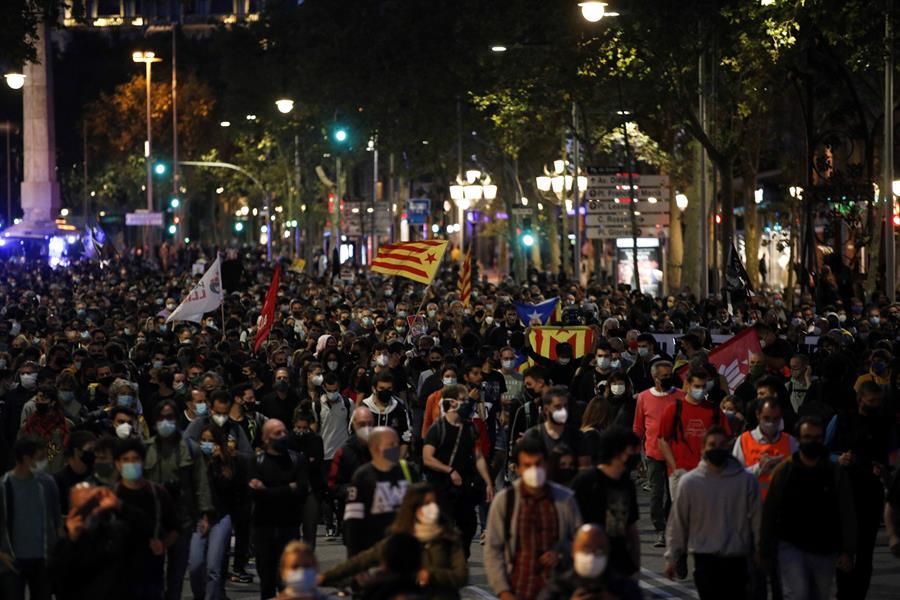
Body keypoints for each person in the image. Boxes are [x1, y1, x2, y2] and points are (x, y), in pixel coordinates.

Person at [761, 417, 856, 600]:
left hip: (824, 547)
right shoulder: (785, 471)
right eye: (807, 437)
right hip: (791, 545)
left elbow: (846, 511)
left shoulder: (834, 472)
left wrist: (848, 550)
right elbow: (770, 511)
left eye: (817, 438)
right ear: (798, 439)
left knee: (819, 594)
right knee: (797, 593)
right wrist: (765, 548)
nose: (812, 442)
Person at [320, 483, 467, 599]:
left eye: (434, 503)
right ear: (413, 507)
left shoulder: (448, 537)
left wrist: (430, 575)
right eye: (427, 504)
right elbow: (361, 560)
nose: (433, 508)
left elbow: (461, 576)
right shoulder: (400, 540)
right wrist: (325, 576)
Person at [664, 426, 761, 599]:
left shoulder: (745, 480)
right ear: (703, 449)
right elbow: (678, 523)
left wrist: (760, 552)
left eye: (722, 444)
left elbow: (757, 519)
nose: (717, 449)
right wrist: (672, 557)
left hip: (736, 558)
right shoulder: (690, 482)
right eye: (712, 444)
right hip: (705, 560)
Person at [484, 436, 583, 600]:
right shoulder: (505, 501)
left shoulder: (565, 500)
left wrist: (561, 554)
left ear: (547, 464)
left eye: (538, 464)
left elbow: (581, 542)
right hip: (518, 590)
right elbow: (493, 550)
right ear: (517, 469)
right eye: (527, 465)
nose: (534, 470)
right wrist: (503, 591)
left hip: (557, 591)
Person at [826, 380, 893, 600]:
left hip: (871, 494)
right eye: (870, 401)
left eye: (877, 401)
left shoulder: (884, 423)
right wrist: (839, 458)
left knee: (865, 553)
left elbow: (891, 454)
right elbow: (824, 451)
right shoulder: (842, 420)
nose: (874, 405)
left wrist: (883, 469)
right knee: (845, 549)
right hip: (845, 492)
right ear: (860, 399)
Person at [145, 400, 213, 600]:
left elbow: (201, 482)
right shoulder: (146, 448)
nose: (166, 422)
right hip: (153, 521)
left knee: (176, 575)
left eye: (170, 418)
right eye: (162, 418)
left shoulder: (190, 448)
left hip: (182, 519)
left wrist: (205, 514)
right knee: (153, 575)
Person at [423, 384, 494, 557]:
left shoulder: (470, 428)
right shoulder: (438, 428)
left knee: (468, 525)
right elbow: (427, 458)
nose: (467, 403)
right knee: (443, 525)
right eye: (463, 400)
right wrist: (449, 471)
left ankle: (462, 554)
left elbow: (478, 457)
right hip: (441, 486)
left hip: (464, 486)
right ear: (452, 403)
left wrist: (488, 482)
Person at [250, 418, 310, 600]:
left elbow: (301, 491)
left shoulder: (296, 459)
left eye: (284, 431)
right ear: (266, 438)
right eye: (277, 433)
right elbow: (254, 494)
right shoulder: (257, 461)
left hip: (289, 526)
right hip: (263, 527)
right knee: (266, 580)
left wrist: (267, 490)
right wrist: (286, 489)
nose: (283, 436)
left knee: (288, 580)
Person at [114, 437, 180, 600]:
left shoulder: (157, 494)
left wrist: (163, 544)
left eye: (135, 459)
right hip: (118, 574)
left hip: (150, 573)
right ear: (118, 464)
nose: (131, 464)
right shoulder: (110, 496)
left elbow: (175, 528)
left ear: (143, 462)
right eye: (126, 460)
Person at [570, 427, 641, 578]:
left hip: (618, 564)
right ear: (617, 453)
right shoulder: (585, 482)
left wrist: (635, 565)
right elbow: (570, 525)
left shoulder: (626, 484)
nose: (634, 456)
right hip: (590, 560)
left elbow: (630, 528)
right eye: (630, 451)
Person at [0, 436, 60, 600]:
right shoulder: (4, 486)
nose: (43, 462)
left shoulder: (47, 483)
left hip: (43, 558)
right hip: (12, 561)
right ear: (26, 459)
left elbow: (56, 519)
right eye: (40, 458)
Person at [188, 424, 244, 600]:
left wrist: (217, 463)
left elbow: (226, 488)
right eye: (203, 440)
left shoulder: (227, 462)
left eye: (210, 441)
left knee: (214, 567)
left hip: (220, 516)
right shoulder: (193, 462)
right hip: (198, 517)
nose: (206, 444)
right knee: (195, 565)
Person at [343, 426, 417, 557]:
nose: (395, 448)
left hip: (405, 551)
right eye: (391, 444)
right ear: (375, 448)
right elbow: (353, 524)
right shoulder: (362, 477)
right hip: (375, 550)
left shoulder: (408, 471)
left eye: (397, 444)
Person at [657, 368, 730, 499]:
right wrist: (675, 468)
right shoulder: (674, 409)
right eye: (697, 386)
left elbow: (726, 439)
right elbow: (662, 440)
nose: (700, 390)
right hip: (681, 472)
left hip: (708, 473)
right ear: (688, 385)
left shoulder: (714, 410)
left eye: (703, 386)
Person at [632, 359, 682, 547]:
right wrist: (635, 451)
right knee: (656, 493)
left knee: (671, 495)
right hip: (653, 453)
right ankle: (659, 527)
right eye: (664, 376)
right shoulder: (644, 398)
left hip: (676, 454)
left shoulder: (681, 397)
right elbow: (638, 426)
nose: (668, 379)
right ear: (655, 378)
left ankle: (668, 528)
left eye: (670, 375)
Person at [539, 524, 642, 600]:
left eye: (599, 551)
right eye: (586, 550)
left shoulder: (626, 589)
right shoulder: (557, 588)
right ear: (573, 552)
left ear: (607, 553)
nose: (592, 556)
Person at [732, 397, 797, 501]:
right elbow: (734, 476)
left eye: (775, 419)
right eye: (766, 418)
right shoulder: (744, 440)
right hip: (752, 504)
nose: (771, 423)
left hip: (780, 505)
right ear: (758, 415)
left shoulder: (790, 442)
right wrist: (759, 468)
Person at [313, 372, 352, 539]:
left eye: (335, 389)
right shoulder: (316, 405)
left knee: (343, 492)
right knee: (327, 493)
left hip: (343, 455)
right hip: (325, 455)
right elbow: (314, 430)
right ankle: (329, 524)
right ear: (324, 388)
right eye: (329, 390)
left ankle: (342, 524)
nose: (333, 392)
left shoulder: (347, 403)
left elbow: (352, 425)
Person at [522, 386, 591, 467]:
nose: (563, 410)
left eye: (565, 406)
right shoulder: (533, 436)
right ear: (546, 410)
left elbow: (584, 470)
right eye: (557, 406)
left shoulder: (577, 436)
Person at [361, 371, 414, 457]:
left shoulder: (399, 408)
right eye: (381, 388)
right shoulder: (363, 409)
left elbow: (406, 437)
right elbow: (355, 437)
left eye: (389, 389)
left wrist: (398, 462)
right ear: (374, 389)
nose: (385, 392)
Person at [53, 430, 98, 514]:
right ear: (78, 451)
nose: (94, 453)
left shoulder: (96, 476)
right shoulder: (58, 480)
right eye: (90, 449)